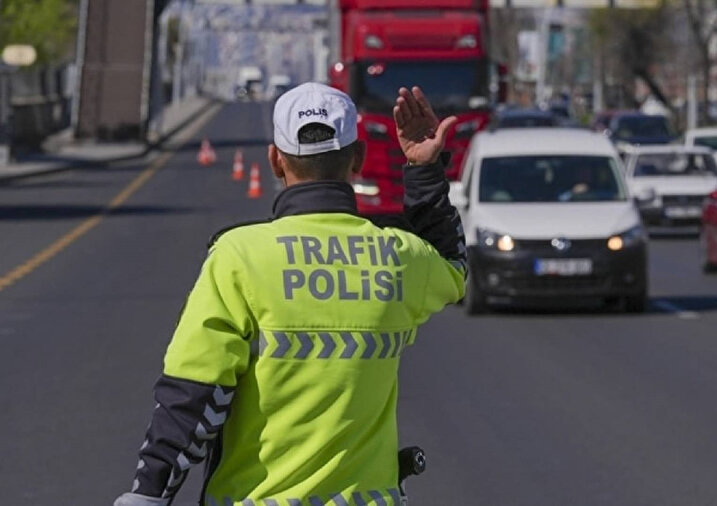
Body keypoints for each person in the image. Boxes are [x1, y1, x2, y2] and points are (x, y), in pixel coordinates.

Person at [114, 83, 466, 506]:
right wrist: (424, 171)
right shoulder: (398, 255)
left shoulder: (239, 256)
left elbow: (194, 393)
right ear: (358, 158)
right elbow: (454, 266)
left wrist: (149, 493)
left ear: (276, 160)